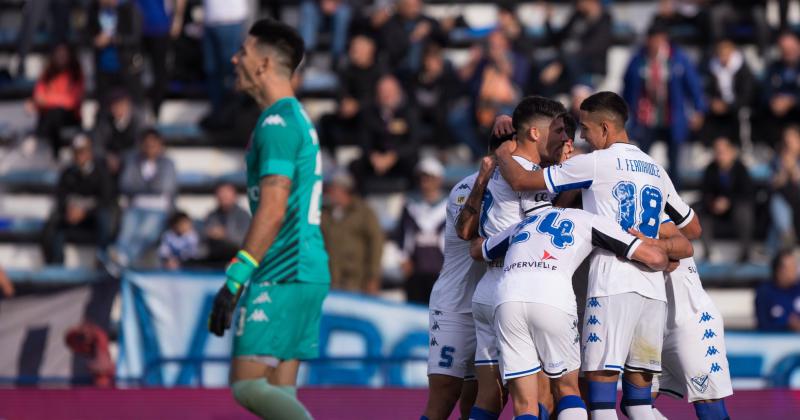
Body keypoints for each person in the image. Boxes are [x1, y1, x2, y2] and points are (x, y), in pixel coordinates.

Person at [494, 91, 697, 420]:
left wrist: (501, 151)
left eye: (586, 128)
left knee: (600, 404)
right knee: (639, 404)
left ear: (605, 127)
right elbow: (691, 230)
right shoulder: (656, 170)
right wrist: (662, 249)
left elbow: (520, 180)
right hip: (652, 291)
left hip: (612, 285)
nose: (582, 136)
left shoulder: (594, 162)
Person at [206, 19, 329, 420]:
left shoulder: (277, 124)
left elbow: (273, 209)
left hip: (283, 270)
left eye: (242, 51)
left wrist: (236, 277)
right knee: (280, 393)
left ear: (261, 65)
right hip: (305, 268)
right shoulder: (294, 119)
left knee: (247, 386)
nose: (234, 57)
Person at [474, 202, 671, 420]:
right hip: (551, 296)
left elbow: (478, 250)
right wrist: (664, 256)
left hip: (506, 298)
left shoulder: (522, 224)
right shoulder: (589, 218)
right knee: (567, 389)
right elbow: (654, 258)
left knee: (524, 403)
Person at [456, 96, 567, 420]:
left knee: (489, 396)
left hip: (488, 290)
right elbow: (538, 231)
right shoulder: (529, 175)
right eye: (557, 131)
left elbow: (466, 232)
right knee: (540, 396)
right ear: (535, 133)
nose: (562, 138)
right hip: (519, 285)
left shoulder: (493, 169)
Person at [420, 158, 494, 420]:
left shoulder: (527, 184)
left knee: (481, 399)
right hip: (456, 305)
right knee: (445, 395)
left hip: (492, 306)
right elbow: (469, 237)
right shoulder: (466, 187)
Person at [651, 211, 734, 420]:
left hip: (691, 319)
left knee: (709, 405)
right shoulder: (599, 212)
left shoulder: (653, 206)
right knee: (635, 403)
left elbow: (691, 235)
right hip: (648, 322)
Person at [622, 23, 706, 188]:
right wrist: (626, 111)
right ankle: (641, 190)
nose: (656, 43)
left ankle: (675, 200)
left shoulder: (678, 59)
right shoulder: (638, 59)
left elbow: (693, 85)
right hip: (646, 117)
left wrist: (699, 109)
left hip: (672, 117)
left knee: (674, 161)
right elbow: (628, 86)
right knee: (641, 159)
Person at [41, 134, 115, 264]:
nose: (79, 156)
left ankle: (102, 260)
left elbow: (105, 200)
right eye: (76, 152)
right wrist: (69, 210)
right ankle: (55, 263)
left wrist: (85, 212)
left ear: (90, 152)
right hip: (73, 215)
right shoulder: (67, 173)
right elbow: (61, 197)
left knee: (105, 218)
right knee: (53, 224)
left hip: (93, 217)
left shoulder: (102, 172)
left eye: (82, 151)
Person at [113, 129, 177, 267]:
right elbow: (125, 184)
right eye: (147, 145)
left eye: (153, 145)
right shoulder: (133, 161)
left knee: (145, 233)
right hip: (135, 206)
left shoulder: (167, 163)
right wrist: (150, 187)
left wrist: (141, 187)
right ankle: (120, 258)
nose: (150, 148)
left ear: (160, 145)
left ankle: (122, 259)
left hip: (158, 208)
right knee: (126, 232)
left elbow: (164, 187)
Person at [349, 74, 420, 194]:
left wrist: (393, 156)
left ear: (398, 92)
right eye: (383, 91)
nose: (386, 95)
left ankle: (411, 200)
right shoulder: (368, 113)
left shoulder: (409, 112)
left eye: (390, 91)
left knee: (415, 165)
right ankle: (362, 200)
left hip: (399, 158)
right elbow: (364, 140)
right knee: (355, 165)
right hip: (377, 159)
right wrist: (373, 156)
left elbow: (414, 142)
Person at [320, 170, 384, 294]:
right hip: (330, 280)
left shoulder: (364, 212)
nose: (329, 193)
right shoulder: (324, 212)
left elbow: (376, 244)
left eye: (333, 189)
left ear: (344, 190)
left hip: (356, 281)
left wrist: (373, 277)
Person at [395, 158, 447, 304]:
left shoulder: (450, 205)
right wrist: (403, 259)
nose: (425, 181)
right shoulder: (410, 205)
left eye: (429, 177)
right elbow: (401, 234)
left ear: (439, 179)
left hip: (441, 271)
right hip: (415, 271)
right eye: (422, 177)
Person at [26, 43, 85, 159]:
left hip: (70, 116)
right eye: (58, 54)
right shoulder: (47, 74)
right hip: (48, 116)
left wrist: (49, 99)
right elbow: (38, 97)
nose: (61, 57)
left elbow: (73, 100)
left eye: (64, 54)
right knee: (52, 113)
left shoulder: (76, 74)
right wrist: (55, 99)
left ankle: (38, 137)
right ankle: (52, 150)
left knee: (56, 112)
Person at [699, 136, 754, 262]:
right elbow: (705, 192)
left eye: (723, 152)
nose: (720, 155)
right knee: (698, 211)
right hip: (715, 211)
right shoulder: (710, 169)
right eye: (717, 152)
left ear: (732, 152)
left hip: (736, 210)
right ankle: (707, 252)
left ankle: (745, 252)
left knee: (745, 211)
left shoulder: (741, 169)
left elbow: (747, 193)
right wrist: (714, 203)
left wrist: (728, 202)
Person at [542, 0, 613, 87]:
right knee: (538, 64)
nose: (577, 3)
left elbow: (589, 50)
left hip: (589, 70)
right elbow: (558, 40)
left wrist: (560, 64)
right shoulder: (577, 17)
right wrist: (548, 22)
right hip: (566, 65)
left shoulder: (604, 21)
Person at [700, 39, 756, 146]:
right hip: (717, 109)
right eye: (721, 55)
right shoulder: (711, 69)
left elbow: (747, 94)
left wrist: (728, 106)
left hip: (736, 108)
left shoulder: (743, 70)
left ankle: (740, 146)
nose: (723, 58)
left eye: (726, 55)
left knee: (740, 118)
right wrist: (712, 103)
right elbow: (707, 90)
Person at [87, 0, 144, 105]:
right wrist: (96, 41)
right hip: (103, 67)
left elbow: (135, 37)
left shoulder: (129, 8)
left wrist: (114, 39)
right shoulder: (93, 10)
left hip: (125, 66)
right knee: (104, 105)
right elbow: (86, 35)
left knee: (131, 104)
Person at [136, 0, 187, 117]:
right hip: (137, 28)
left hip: (159, 27)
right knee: (136, 72)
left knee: (160, 71)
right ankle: (140, 108)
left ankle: (155, 111)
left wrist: (178, 19)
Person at [202, 0, 248, 114]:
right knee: (211, 70)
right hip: (210, 19)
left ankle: (233, 113)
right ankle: (218, 113)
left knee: (231, 70)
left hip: (230, 19)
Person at [92, 89, 147, 179]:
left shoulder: (139, 120)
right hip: (108, 160)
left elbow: (141, 145)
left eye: (120, 104)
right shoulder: (104, 120)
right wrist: (108, 157)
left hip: (132, 159)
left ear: (128, 104)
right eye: (113, 105)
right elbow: (97, 145)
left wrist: (121, 158)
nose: (116, 108)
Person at [760, 31, 800, 147]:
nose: (788, 53)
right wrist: (772, 101)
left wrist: (792, 101)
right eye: (784, 50)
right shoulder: (773, 68)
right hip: (778, 119)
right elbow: (764, 92)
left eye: (791, 49)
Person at [202, 182, 251, 264]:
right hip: (214, 260)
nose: (223, 196)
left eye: (226, 193)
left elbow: (244, 241)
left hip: (236, 260)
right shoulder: (212, 215)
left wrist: (225, 235)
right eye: (221, 193)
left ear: (235, 196)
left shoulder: (243, 216)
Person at [769, 125, 800, 252]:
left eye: (792, 139)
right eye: (786, 139)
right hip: (784, 197)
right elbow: (773, 183)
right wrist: (784, 170)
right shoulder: (777, 158)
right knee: (777, 201)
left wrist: (792, 168)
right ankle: (786, 234)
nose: (788, 143)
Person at [756, 250, 800, 332]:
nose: (795, 271)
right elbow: (762, 325)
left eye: (795, 267)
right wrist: (788, 324)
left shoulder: (798, 289)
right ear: (779, 270)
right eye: (791, 267)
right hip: (775, 341)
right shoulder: (765, 292)